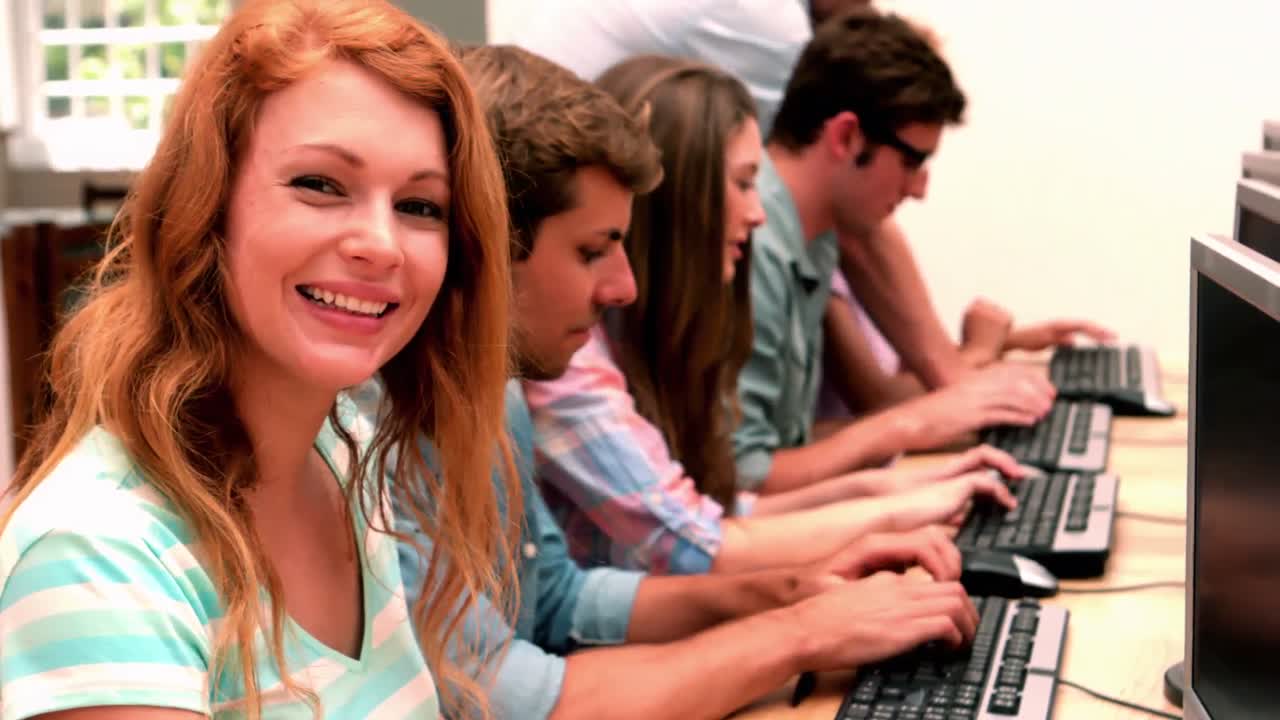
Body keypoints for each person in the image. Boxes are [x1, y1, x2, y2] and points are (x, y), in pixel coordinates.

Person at [395, 45, 997, 720]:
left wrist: (794, 590)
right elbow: (502, 696)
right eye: (592, 251)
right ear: (481, 246)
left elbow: (557, 597)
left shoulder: (499, 389)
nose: (622, 287)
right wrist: (803, 632)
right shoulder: (381, 437)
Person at [0, 1, 519, 717]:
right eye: (319, 184)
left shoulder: (346, 455)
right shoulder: (99, 558)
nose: (383, 243)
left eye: (421, 206)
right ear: (206, 207)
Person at [523, 55, 1026, 575]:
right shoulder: (571, 358)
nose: (758, 212)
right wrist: (897, 509)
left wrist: (892, 492)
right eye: (743, 184)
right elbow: (699, 540)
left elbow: (714, 510)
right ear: (680, 201)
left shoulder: (658, 322)